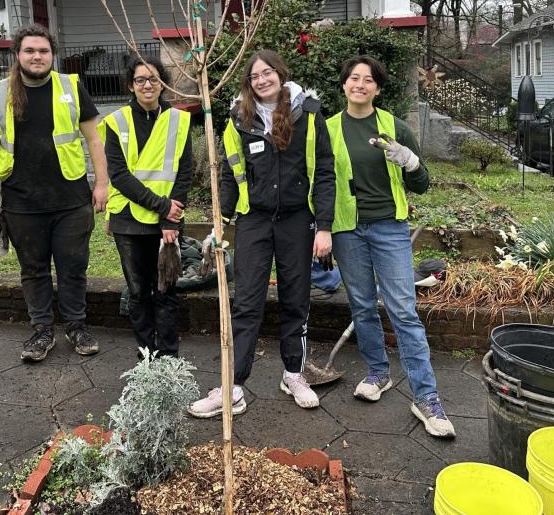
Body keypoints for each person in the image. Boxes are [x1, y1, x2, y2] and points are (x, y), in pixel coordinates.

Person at [188, 49, 335, 418]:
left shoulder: (310, 115)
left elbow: (326, 172)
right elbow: (227, 172)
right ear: (248, 83)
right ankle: (232, 386)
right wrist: (219, 220)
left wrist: (326, 228)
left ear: (280, 74)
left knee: (295, 298)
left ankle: (294, 374)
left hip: (298, 220)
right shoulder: (239, 120)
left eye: (268, 72)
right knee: (247, 301)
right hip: (253, 220)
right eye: (255, 76)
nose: (262, 80)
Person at [328, 55, 455, 438]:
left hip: (389, 229)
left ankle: (426, 397)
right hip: (346, 230)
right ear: (345, 84)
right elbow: (319, 183)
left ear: (377, 88)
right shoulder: (328, 129)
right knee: (363, 306)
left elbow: (422, 184)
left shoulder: (395, 127)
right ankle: (378, 373)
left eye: (368, 80)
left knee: (403, 310)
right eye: (354, 78)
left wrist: (412, 162)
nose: (360, 84)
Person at [0, 24, 108, 362]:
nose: (37, 56)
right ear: (17, 55)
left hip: (71, 199)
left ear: (53, 54)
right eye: (30, 51)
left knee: (73, 267)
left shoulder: (72, 87)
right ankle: (41, 330)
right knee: (33, 270)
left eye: (44, 51)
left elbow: (94, 139)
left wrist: (102, 183)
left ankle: (76, 326)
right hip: (21, 202)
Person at [100, 58, 192, 358]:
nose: (148, 85)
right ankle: (147, 354)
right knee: (138, 292)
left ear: (162, 83)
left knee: (166, 290)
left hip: (166, 221)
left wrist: (170, 218)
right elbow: (120, 177)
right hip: (128, 220)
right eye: (140, 80)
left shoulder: (179, 120)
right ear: (131, 85)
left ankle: (168, 356)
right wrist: (163, 206)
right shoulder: (116, 122)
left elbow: (184, 170)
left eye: (154, 79)